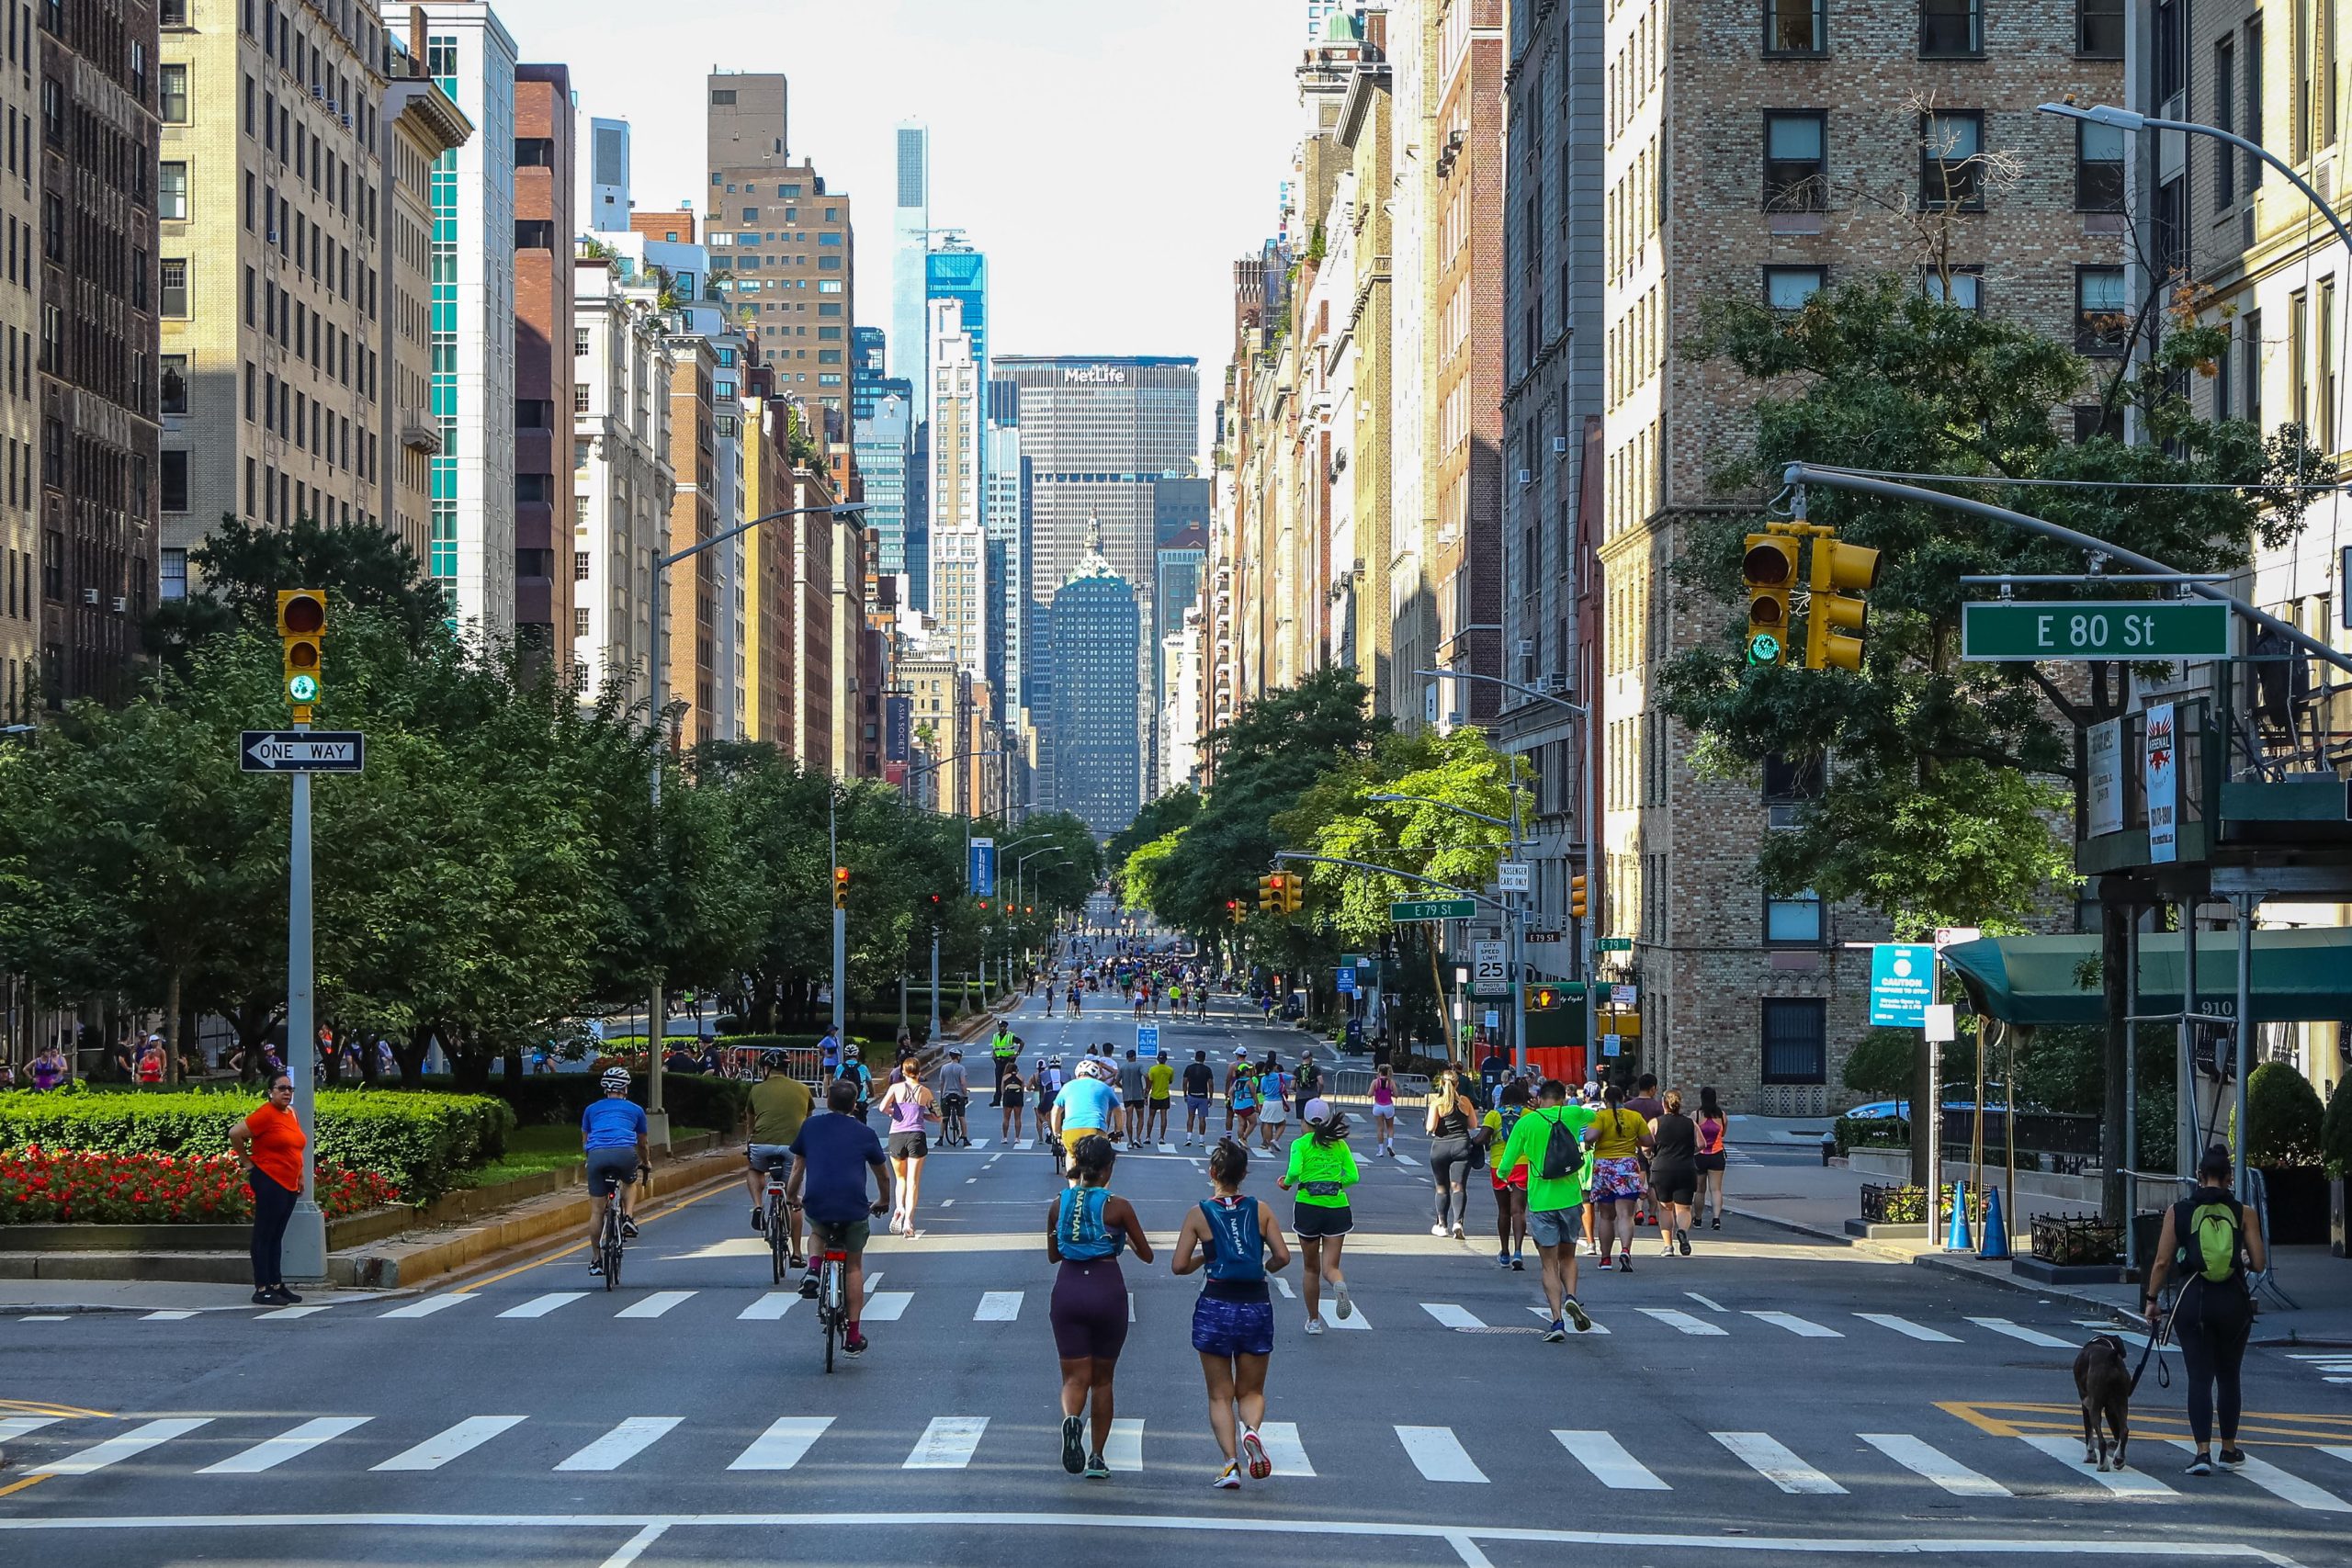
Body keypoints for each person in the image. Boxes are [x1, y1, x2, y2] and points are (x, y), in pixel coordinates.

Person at [1172, 1139, 1292, 1489]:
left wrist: (1205, 1259)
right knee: (1251, 1391)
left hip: (1215, 1306)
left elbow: (1179, 1265)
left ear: (1212, 1173)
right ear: (1244, 1175)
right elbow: (1283, 1256)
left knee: (1219, 1393)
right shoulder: (1261, 1209)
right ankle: (1251, 1431)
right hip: (1255, 1305)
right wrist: (1263, 1265)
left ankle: (1230, 1464)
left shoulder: (1198, 1213)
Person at [2145, 1144, 2267, 1475]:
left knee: (2199, 1378)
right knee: (2229, 1377)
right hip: (2233, 1304)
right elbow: (2258, 1263)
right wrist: (2239, 1257)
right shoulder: (2245, 1213)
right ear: (2229, 1178)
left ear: (2199, 1177)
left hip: (2192, 1301)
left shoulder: (2178, 1211)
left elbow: (2162, 1262)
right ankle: (2229, 1448)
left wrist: (2152, 1300)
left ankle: (2201, 1453)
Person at [1047, 1134, 1155, 1479]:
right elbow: (1147, 1254)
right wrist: (1120, 1240)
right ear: (1109, 1168)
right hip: (1107, 1289)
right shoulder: (1118, 1206)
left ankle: (1071, 1420)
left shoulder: (1057, 1204)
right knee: (1103, 1380)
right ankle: (1096, 1458)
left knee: (1074, 1377)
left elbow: (1053, 1255)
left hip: (1068, 1289)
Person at [785, 1077, 895, 1356]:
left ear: (828, 1100)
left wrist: (791, 1197)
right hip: (853, 1208)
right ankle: (853, 1335)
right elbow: (882, 1174)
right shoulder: (864, 1133)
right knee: (854, 1267)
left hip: (818, 1203)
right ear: (855, 1103)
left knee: (818, 1233)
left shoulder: (811, 1127)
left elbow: (798, 1168)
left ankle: (813, 1269)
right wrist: (884, 1200)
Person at [1493, 1078, 1598, 1340]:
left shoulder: (1526, 1122)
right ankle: (1572, 1296)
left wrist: (1506, 1177)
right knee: (1569, 1257)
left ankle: (1557, 1321)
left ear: (1539, 1098)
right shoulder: (1573, 1113)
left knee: (1548, 1264)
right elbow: (1595, 1115)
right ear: (1563, 1098)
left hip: (1541, 1202)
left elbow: (1506, 1163)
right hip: (1571, 1199)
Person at [227, 1072, 309, 1305]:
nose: (286, 1092)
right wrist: (247, 1163)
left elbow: (295, 1148)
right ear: (270, 1091)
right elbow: (235, 1133)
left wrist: (300, 1174)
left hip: (289, 1181)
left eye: (289, 1089)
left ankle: (276, 1284)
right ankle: (261, 1287)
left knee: (277, 1235)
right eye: (281, 1088)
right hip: (269, 1179)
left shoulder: (291, 1114)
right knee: (264, 1234)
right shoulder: (265, 1114)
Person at [1277, 1100, 1358, 1333]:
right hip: (1337, 1207)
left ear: (1304, 1121)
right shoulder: (1340, 1145)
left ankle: (1314, 1321)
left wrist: (1287, 1183)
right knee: (1330, 1267)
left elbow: (1293, 1172)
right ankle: (1338, 1283)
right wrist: (1334, 1184)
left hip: (1308, 1207)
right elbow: (1353, 1176)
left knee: (1310, 1269)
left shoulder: (1300, 1144)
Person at [743, 1053, 813, 1263]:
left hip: (761, 1146)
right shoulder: (803, 1089)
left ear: (766, 1069)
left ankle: (757, 1205)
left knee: (754, 1170)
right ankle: (797, 1253)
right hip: (793, 1148)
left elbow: (750, 1123)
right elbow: (808, 1119)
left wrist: (749, 1144)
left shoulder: (756, 1090)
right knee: (793, 1200)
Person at [579, 1066, 650, 1275]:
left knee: (596, 1212)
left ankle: (596, 1260)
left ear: (604, 1088)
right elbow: (642, 1143)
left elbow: (586, 1141)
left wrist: (590, 1160)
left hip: (596, 1156)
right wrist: (646, 1162)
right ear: (626, 1088)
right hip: (624, 1154)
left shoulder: (591, 1109)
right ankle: (628, 1217)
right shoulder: (636, 1110)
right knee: (629, 1182)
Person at [1589, 1081, 1652, 1271]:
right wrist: (1634, 1140)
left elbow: (1590, 1137)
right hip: (1627, 1167)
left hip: (1604, 1168)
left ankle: (1606, 1258)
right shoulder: (1635, 1117)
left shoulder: (1600, 1117)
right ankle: (1625, 1250)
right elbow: (1649, 1141)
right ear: (1623, 1098)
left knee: (1607, 1217)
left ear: (1605, 1100)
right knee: (1626, 1215)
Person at [877, 1066, 936, 1237]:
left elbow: (882, 1108)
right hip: (916, 1135)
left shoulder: (895, 1088)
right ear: (919, 1073)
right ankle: (908, 1222)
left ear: (903, 1073)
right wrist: (922, 1115)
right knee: (913, 1181)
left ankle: (899, 1207)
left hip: (896, 1135)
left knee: (900, 1179)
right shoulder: (926, 1092)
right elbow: (938, 1115)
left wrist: (894, 1113)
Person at [1482, 1077, 1532, 1269]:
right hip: (1522, 1165)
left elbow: (1482, 1137)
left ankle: (1504, 1251)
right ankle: (1518, 1251)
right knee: (1518, 1211)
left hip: (1499, 1165)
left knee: (1503, 1211)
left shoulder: (1494, 1115)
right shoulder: (1527, 1114)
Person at [1426, 1067, 1480, 1239]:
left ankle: (1442, 1225)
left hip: (1440, 1147)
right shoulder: (1465, 1102)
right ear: (1457, 1084)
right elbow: (1473, 1124)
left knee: (1441, 1187)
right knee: (1458, 1186)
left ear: (1442, 1083)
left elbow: (1430, 1127)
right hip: (1461, 1146)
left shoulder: (1437, 1103)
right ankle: (1459, 1222)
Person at [1647, 1089, 1700, 1257]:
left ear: (1664, 1104)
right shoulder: (1690, 1123)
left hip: (1662, 1169)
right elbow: (1702, 1143)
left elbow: (1645, 1146)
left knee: (1665, 1208)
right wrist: (1690, 1152)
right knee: (1684, 1209)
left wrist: (1650, 1155)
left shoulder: (1655, 1123)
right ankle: (1682, 1231)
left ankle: (1668, 1246)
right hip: (1686, 1168)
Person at [1054, 1057, 1124, 1173]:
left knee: (1071, 1155)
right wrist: (1118, 1131)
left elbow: (1056, 1111)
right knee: (1101, 1163)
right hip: (1096, 1129)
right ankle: (1098, 1187)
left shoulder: (1068, 1086)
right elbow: (1118, 1110)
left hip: (1071, 1129)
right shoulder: (1104, 1087)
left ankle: (1073, 1186)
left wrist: (1057, 1133)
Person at [1693, 1087, 1729, 1231]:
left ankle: (1698, 1219)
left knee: (1700, 1190)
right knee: (1716, 1190)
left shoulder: (1696, 1115)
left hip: (1700, 1155)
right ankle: (1716, 1219)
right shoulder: (1722, 1116)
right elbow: (1723, 1134)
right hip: (1717, 1154)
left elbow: (1692, 1134)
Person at [1180, 1051, 1215, 1147]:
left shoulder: (1189, 1068)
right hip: (1202, 1097)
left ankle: (1188, 1138)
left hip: (1192, 1095)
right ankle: (1201, 1140)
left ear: (1195, 1057)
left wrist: (1185, 1094)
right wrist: (1211, 1097)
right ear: (1204, 1058)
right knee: (1202, 1118)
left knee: (1191, 1117)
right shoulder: (1207, 1070)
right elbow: (1211, 1084)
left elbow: (1185, 1082)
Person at [1256, 1058, 1290, 1152]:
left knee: (1267, 1123)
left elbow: (1262, 1091)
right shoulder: (1279, 1076)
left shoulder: (1264, 1078)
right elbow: (1293, 1077)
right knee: (1282, 1123)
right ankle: (1275, 1139)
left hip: (1267, 1102)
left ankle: (1269, 1145)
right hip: (1278, 1102)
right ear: (1275, 1067)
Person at [938, 1048, 970, 1146]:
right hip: (958, 1095)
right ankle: (965, 1138)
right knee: (961, 1117)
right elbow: (963, 1083)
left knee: (944, 1117)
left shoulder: (944, 1068)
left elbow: (941, 1083)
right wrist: (965, 1095)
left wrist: (942, 1095)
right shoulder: (961, 1068)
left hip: (946, 1095)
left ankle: (940, 1138)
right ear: (959, 1057)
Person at [837, 1043, 875, 1122]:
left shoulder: (840, 1067)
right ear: (857, 1055)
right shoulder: (863, 1068)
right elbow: (870, 1083)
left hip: (844, 1101)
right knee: (862, 1125)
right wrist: (871, 1094)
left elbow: (836, 1083)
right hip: (859, 1101)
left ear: (845, 1056)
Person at [1146, 1052, 1175, 1145]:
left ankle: (1148, 1137)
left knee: (1151, 1117)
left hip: (1154, 1095)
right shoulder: (1170, 1070)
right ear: (1166, 1059)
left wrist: (1146, 1096)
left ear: (1158, 1059)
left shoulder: (1152, 1069)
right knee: (1164, 1117)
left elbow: (1149, 1084)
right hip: (1165, 1096)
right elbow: (1170, 1081)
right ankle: (1162, 1137)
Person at [1118, 1049, 1148, 1140]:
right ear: (1134, 1056)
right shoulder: (1139, 1065)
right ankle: (1138, 1138)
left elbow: (1116, 1081)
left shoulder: (1123, 1067)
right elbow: (1146, 1075)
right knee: (1140, 1117)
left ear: (1127, 1057)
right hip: (1138, 1095)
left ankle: (1130, 1140)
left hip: (1127, 1096)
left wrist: (1123, 1087)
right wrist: (1147, 1088)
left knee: (1129, 1118)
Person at [1369, 1065, 1398, 1157]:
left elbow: (1369, 1094)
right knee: (1390, 1127)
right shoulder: (1391, 1082)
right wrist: (1390, 1094)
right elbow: (1396, 1094)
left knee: (1380, 1128)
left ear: (1379, 1072)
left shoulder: (1375, 1082)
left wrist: (1376, 1092)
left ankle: (1380, 1151)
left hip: (1378, 1106)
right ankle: (1390, 1144)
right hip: (1388, 1106)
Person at [990, 1025, 1020, 1107]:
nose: (1001, 1028)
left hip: (1008, 1060)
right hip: (998, 1060)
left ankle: (1008, 1099)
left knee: (1009, 1079)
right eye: (999, 1027)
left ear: (1006, 1027)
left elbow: (1021, 1043)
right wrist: (993, 1055)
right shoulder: (995, 1036)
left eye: (1002, 1027)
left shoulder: (1010, 1036)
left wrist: (1017, 1054)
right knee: (998, 1081)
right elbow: (995, 1047)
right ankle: (997, 1100)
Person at [1001, 1059, 1029, 1144]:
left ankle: (1005, 1137)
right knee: (1018, 1118)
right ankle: (1017, 1138)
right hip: (1017, 1096)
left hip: (1008, 1095)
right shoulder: (1020, 1077)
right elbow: (1022, 1089)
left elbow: (1002, 1089)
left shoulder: (1005, 1077)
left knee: (1006, 1118)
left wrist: (1004, 1098)